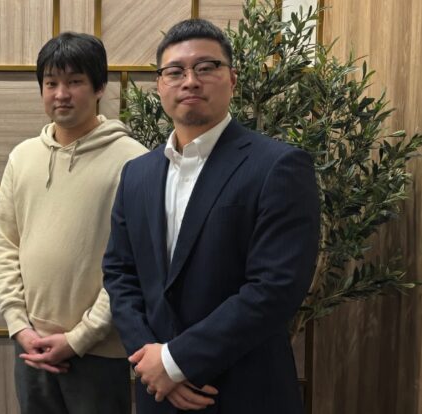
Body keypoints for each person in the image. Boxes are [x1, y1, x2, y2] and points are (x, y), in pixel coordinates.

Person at [103, 19, 319, 413]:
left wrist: (176, 361)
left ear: (232, 79)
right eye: (175, 71)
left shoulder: (278, 166)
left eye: (206, 67)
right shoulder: (137, 174)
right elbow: (120, 273)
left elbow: (275, 287)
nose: (190, 81)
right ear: (160, 85)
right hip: (158, 394)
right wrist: (150, 360)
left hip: (243, 390)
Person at [0, 32, 148, 413]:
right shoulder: (22, 158)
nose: (61, 94)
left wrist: (80, 337)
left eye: (75, 81)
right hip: (31, 346)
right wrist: (19, 325)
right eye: (51, 83)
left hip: (100, 351)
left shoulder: (134, 162)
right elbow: (5, 244)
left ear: (99, 87)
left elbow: (135, 264)